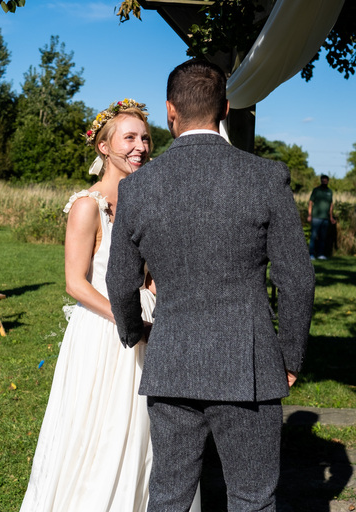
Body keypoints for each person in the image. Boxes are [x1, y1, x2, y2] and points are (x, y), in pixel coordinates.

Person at [107, 60, 315, 511]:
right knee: (252, 498)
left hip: (171, 360)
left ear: (169, 112)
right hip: (252, 365)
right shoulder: (265, 177)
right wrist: (291, 356)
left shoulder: (139, 188)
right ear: (224, 107)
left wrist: (133, 332)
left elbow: (120, 281)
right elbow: (296, 278)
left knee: (169, 496)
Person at [20, 99, 196, 511]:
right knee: (101, 430)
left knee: (148, 432)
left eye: (146, 138)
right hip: (104, 333)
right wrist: (128, 319)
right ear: (104, 146)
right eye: (129, 137)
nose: (141, 146)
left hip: (152, 324)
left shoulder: (151, 200)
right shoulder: (88, 206)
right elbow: (74, 283)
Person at [308, 174, 335, 260]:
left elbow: (331, 205)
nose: (324, 181)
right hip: (316, 217)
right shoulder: (316, 190)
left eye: (325, 180)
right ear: (321, 181)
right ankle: (311, 254)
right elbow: (310, 203)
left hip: (325, 218)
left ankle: (321, 254)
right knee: (314, 236)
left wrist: (331, 217)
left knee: (323, 237)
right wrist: (309, 215)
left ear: (328, 181)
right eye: (323, 180)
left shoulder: (329, 191)